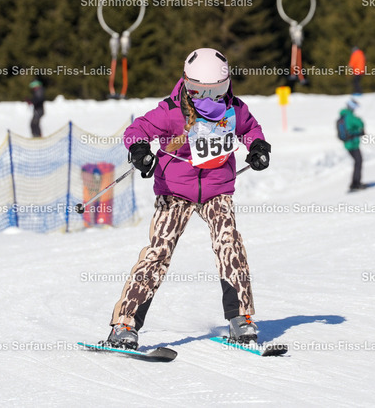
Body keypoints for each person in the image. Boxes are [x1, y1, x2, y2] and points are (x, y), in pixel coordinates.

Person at [106, 48, 271, 350]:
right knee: (159, 251)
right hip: (174, 191)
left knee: (229, 243)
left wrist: (258, 146)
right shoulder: (171, 111)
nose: (209, 100)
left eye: (217, 91)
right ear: (187, 84)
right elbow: (136, 130)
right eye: (199, 92)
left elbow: (250, 128)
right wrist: (140, 150)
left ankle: (241, 319)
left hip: (217, 190)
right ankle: (125, 324)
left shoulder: (234, 109)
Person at [339, 97, 366, 192]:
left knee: (357, 162)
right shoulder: (350, 116)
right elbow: (360, 124)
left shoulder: (344, 115)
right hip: (352, 144)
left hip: (348, 143)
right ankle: (355, 183)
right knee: (358, 162)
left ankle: (355, 183)